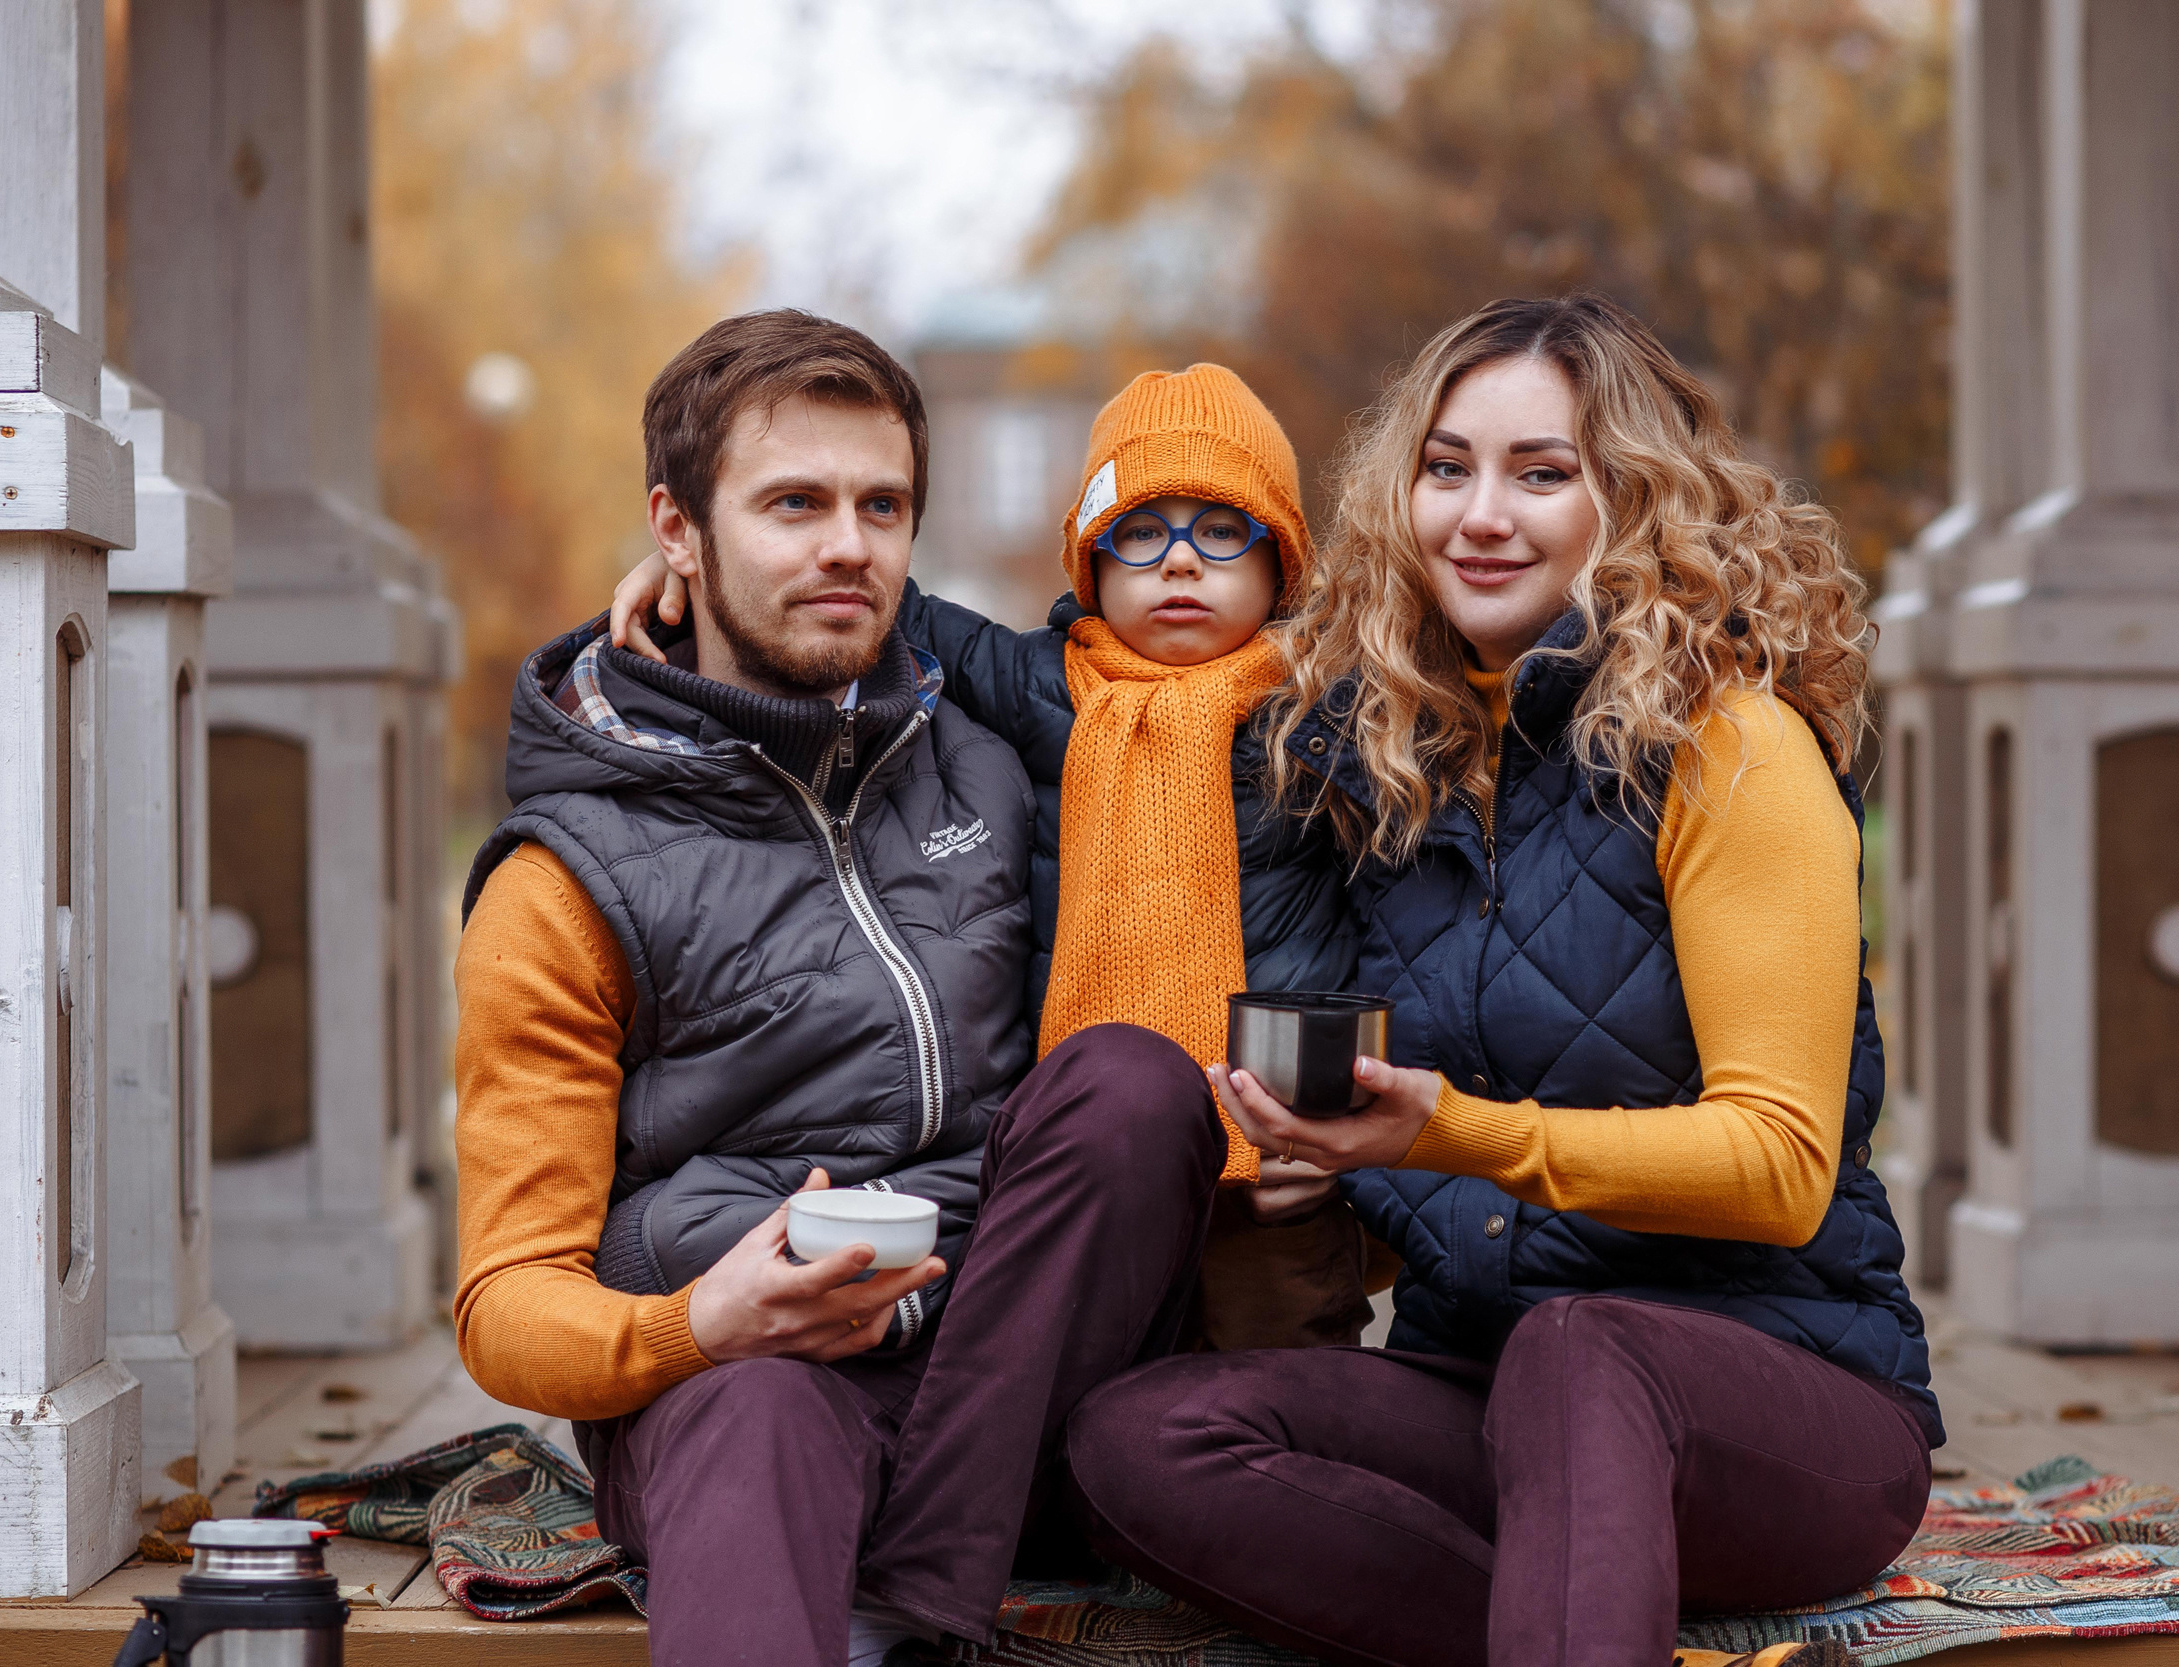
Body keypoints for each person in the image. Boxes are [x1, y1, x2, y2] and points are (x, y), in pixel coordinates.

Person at [1062, 294, 1939, 1667]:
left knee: (1583, 1352)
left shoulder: (1732, 745)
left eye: (1541, 473)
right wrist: (1323, 1174)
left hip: (1786, 1402)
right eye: (1446, 467)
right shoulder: (1381, 762)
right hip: (1482, 1380)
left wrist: (1446, 1132)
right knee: (1140, 1433)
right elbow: (1442, 1171)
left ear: (1634, 500)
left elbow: (1779, 1167)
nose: (1480, 514)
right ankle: (1583, 1618)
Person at [453, 309, 1231, 1667]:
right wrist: (697, 1323)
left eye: (882, 505)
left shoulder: (991, 764)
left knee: (1131, 1083)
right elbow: (508, 1301)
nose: (848, 546)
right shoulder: (568, 879)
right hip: (756, 1389)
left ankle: (909, 1593)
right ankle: (892, 1601)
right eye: (792, 504)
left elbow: (1252, 694)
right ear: (676, 528)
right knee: (759, 1410)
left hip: (1023, 1372)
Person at [611, 363, 1370, 1351]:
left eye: (1222, 532)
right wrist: (684, 570)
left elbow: (1413, 910)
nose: (1180, 563)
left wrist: (1351, 1129)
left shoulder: (1325, 711)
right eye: (1141, 533)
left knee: (1277, 1377)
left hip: (1273, 1160)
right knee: (1096, 1369)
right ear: (1091, 564)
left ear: (1282, 566)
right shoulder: (1041, 686)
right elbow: (868, 601)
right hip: (1085, 1154)